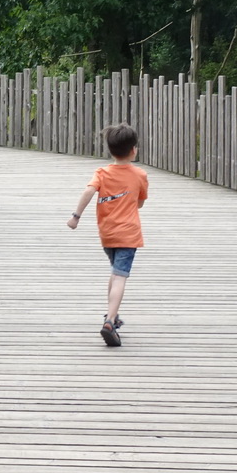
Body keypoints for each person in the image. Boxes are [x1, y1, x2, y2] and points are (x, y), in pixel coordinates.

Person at [66, 123, 149, 347]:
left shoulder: (101, 173)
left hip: (107, 233)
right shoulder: (140, 174)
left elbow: (89, 190)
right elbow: (139, 203)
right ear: (134, 150)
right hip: (128, 234)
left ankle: (111, 314)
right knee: (121, 276)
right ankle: (110, 321)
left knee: (114, 274)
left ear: (110, 150)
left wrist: (76, 216)